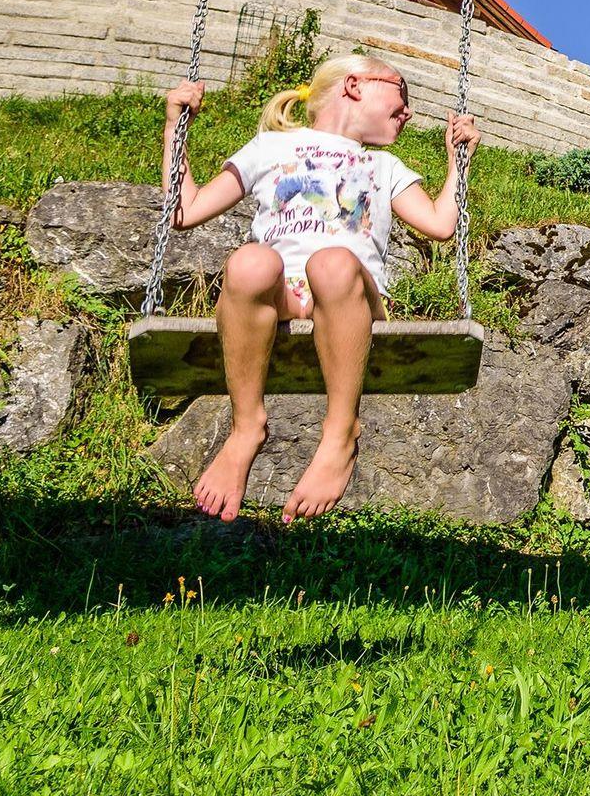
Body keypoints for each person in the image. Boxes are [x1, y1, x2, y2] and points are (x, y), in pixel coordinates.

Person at [160, 53, 476, 522]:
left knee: (331, 263)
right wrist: (175, 128)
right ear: (355, 85)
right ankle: (246, 428)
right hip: (282, 296)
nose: (409, 111)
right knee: (249, 262)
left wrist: (459, 160)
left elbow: (441, 224)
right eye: (401, 92)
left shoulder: (384, 165)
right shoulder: (270, 147)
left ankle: (340, 433)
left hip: (351, 299)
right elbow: (184, 210)